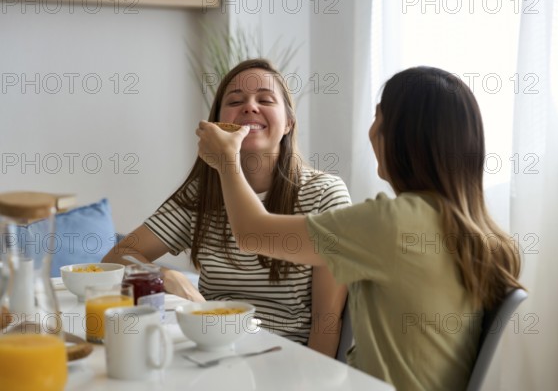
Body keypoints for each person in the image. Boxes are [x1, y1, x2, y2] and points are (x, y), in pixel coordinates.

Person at [196, 66, 524, 390]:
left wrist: (227, 159)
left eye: (378, 117)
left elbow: (252, 234)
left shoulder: (390, 224)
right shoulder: (480, 233)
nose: (371, 131)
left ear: (400, 136)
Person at [102, 59, 352, 357]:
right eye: (235, 100)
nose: (249, 107)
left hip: (281, 357)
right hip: (208, 350)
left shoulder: (325, 194)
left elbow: (328, 320)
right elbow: (116, 257)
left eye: (265, 99)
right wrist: (163, 276)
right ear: (218, 124)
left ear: (289, 123)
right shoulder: (203, 196)